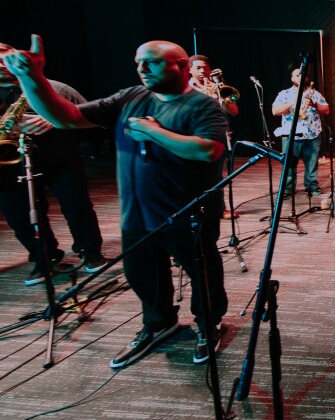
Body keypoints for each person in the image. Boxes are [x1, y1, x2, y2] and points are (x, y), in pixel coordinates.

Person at [4, 36, 229, 369]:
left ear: (180, 66)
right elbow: (66, 116)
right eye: (138, 62)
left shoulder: (202, 105)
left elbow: (209, 150)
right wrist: (31, 77)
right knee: (143, 275)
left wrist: (155, 132)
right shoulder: (131, 96)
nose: (141, 68)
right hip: (136, 214)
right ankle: (158, 323)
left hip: (186, 214)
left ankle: (208, 327)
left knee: (202, 274)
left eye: (150, 62)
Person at [0, 43, 108, 285]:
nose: (1, 66)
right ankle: (43, 258)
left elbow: (91, 115)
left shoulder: (56, 88)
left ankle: (91, 252)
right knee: (20, 217)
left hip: (60, 159)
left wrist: (55, 117)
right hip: (9, 166)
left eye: (5, 60)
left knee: (77, 207)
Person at [272, 68, 330, 195]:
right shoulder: (284, 94)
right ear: (292, 79)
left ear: (306, 79)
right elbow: (275, 111)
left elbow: (326, 110)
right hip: (291, 135)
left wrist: (313, 104)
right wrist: (292, 103)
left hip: (312, 134)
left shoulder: (314, 93)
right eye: (297, 75)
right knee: (289, 164)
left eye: (302, 75)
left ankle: (311, 186)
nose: (300, 77)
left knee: (312, 164)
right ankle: (287, 190)